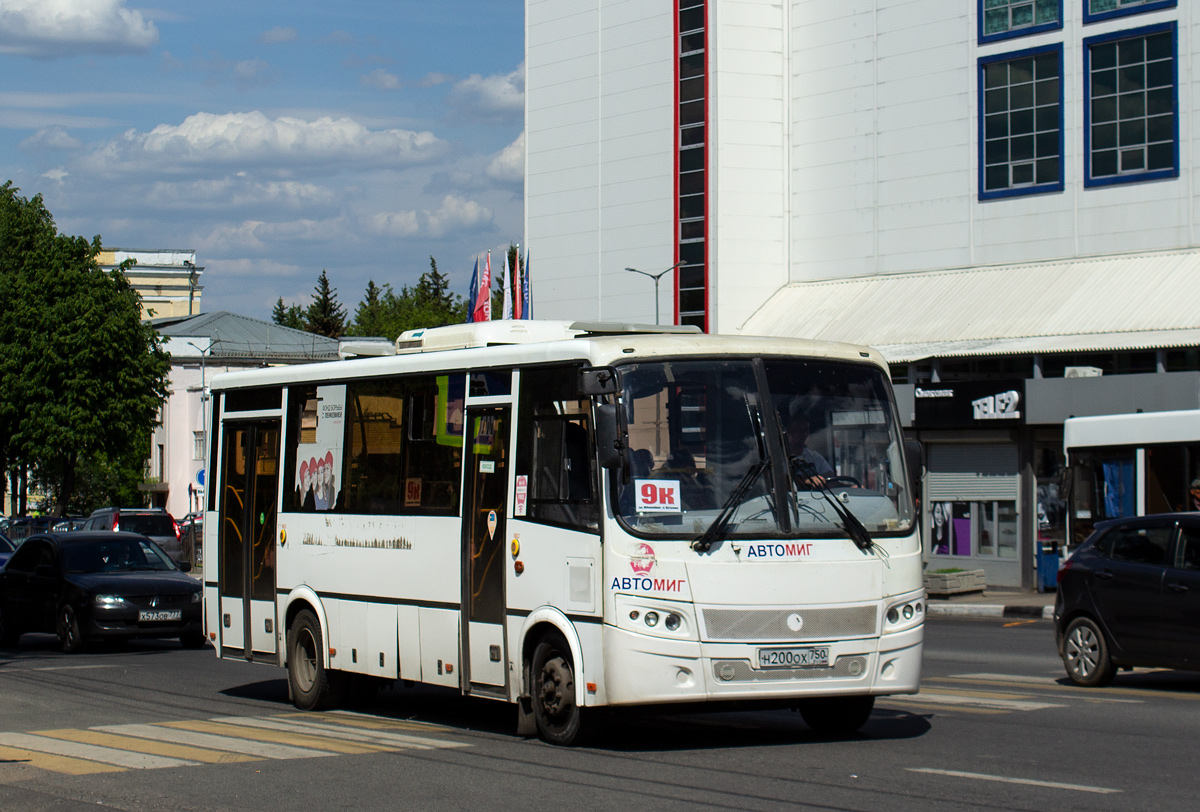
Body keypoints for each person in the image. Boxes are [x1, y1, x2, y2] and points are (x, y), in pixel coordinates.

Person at [784, 411, 834, 487]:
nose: (803, 434)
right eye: (798, 430)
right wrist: (807, 480)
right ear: (789, 432)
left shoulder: (814, 456)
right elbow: (783, 479)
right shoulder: (780, 458)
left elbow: (830, 474)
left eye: (806, 430)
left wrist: (820, 478)